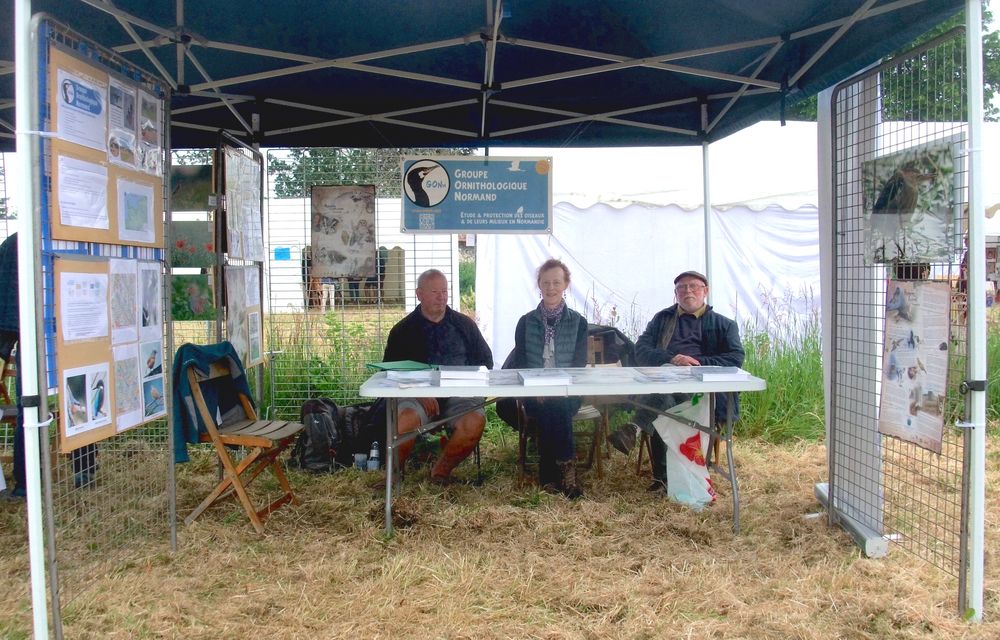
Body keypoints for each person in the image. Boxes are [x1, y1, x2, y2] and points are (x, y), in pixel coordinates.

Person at [607, 270, 745, 494]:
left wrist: (696, 363)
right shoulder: (662, 319)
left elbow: (735, 358)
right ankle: (666, 478)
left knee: (664, 405)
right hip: (666, 381)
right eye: (681, 288)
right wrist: (672, 359)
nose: (687, 291)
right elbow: (641, 350)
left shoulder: (724, 324)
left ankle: (637, 433)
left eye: (693, 286)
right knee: (666, 402)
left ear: (705, 291)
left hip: (703, 392)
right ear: (675, 293)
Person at [382, 269, 493, 483]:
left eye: (444, 291)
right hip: (416, 396)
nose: (441, 297)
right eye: (435, 292)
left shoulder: (465, 325)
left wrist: (465, 387)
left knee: (474, 421)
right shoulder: (402, 331)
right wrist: (419, 391)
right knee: (404, 421)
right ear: (419, 294)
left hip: (460, 395)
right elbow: (389, 372)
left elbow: (485, 362)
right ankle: (394, 476)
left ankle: (440, 472)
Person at [509, 259, 588, 498]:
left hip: (568, 391)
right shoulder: (525, 322)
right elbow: (521, 362)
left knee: (558, 404)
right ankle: (567, 475)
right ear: (539, 285)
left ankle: (550, 474)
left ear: (565, 285)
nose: (551, 287)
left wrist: (560, 387)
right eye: (546, 282)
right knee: (550, 406)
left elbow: (579, 364)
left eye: (556, 282)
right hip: (534, 392)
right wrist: (536, 387)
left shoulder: (579, 322)